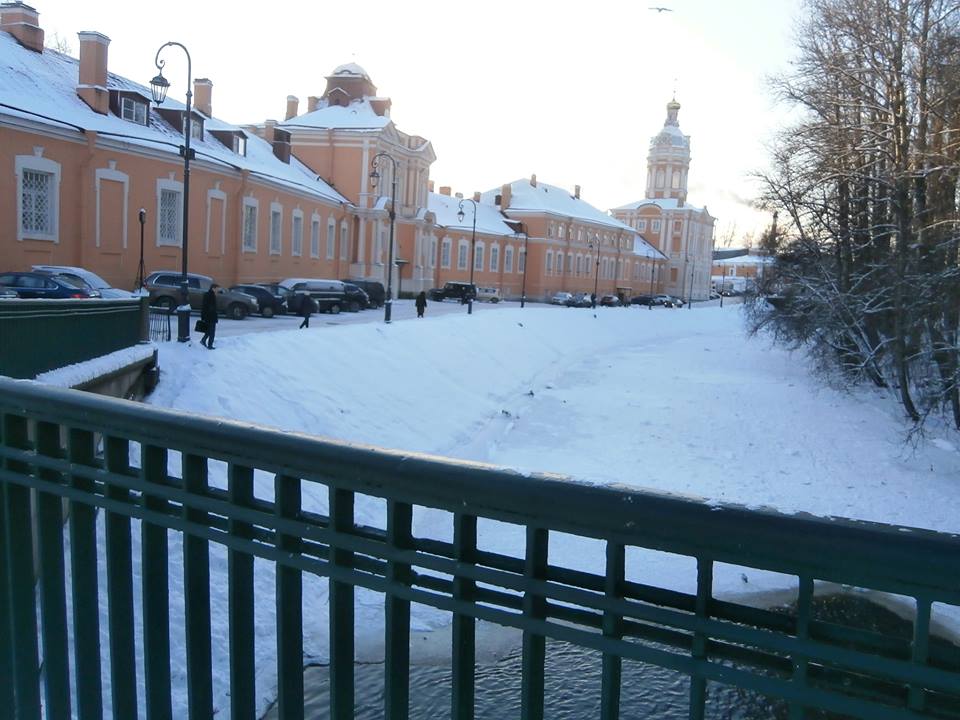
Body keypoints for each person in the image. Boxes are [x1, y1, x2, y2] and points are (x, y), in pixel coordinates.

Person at [200, 283, 219, 349]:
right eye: (217, 289)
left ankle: (203, 340)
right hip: (211, 316)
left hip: (207, 316)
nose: (217, 290)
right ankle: (210, 345)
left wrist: (203, 316)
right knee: (212, 332)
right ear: (213, 288)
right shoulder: (212, 295)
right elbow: (211, 307)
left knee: (208, 330)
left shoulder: (207, 294)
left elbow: (204, 306)